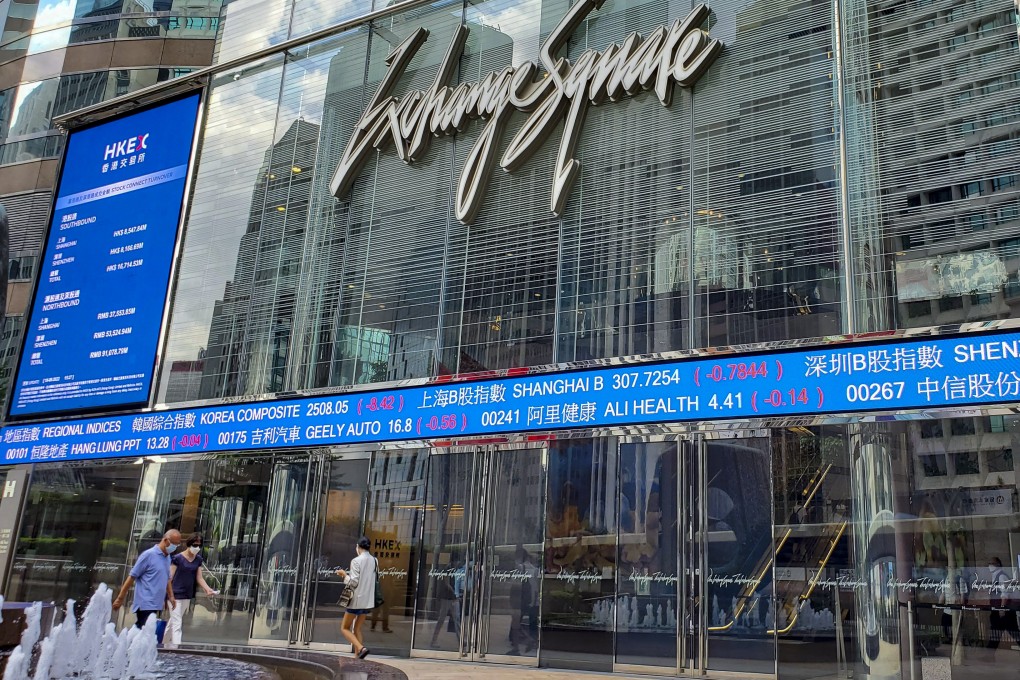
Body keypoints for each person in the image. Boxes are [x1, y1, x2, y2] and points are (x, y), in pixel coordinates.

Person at [113, 529, 181, 628]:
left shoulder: (167, 557)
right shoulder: (148, 555)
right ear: (165, 540)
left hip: (157, 603)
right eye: (174, 543)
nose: (175, 547)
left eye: (177, 545)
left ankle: (130, 641)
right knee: (143, 631)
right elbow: (132, 576)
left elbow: (167, 579)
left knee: (144, 633)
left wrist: (171, 596)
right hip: (145, 603)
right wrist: (120, 598)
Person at [167, 533, 217, 647]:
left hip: (186, 595)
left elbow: (199, 577)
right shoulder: (177, 558)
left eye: (199, 545)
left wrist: (208, 589)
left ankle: (163, 645)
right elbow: (169, 577)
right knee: (177, 623)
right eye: (195, 544)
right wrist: (170, 595)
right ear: (189, 544)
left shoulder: (198, 559)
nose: (197, 547)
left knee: (173, 622)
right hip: (175, 594)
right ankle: (176, 649)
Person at [337, 537, 377, 659]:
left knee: (344, 628)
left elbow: (353, 583)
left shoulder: (356, 561)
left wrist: (344, 575)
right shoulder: (375, 560)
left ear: (358, 547)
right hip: (367, 601)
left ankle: (361, 648)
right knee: (357, 628)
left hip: (355, 600)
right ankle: (357, 658)